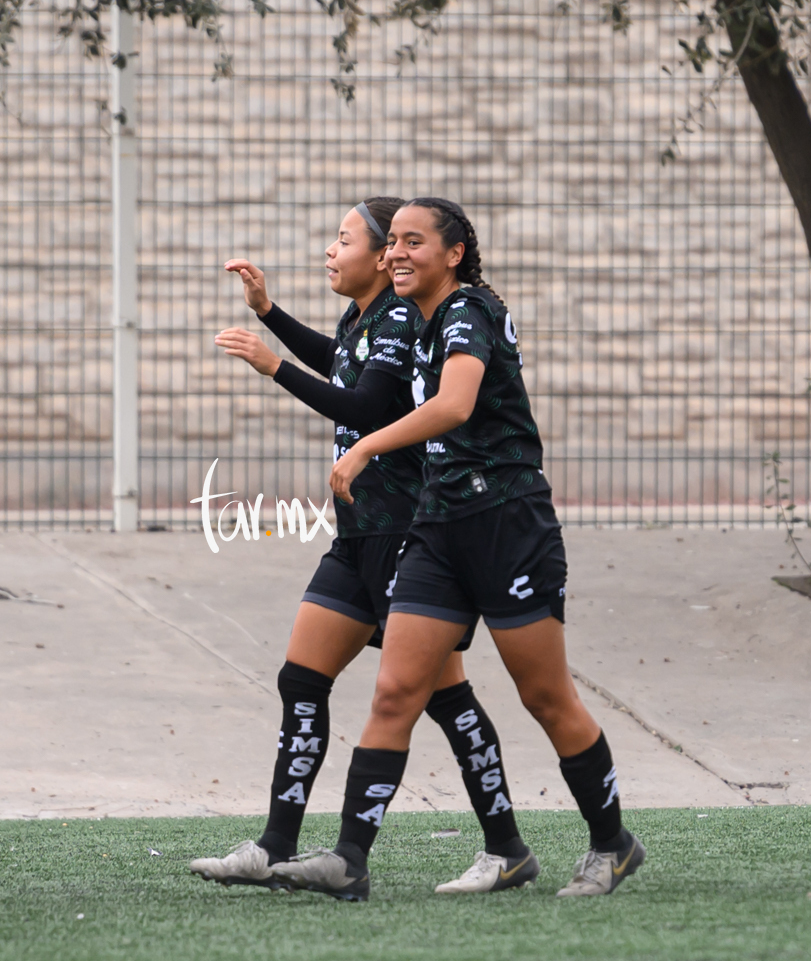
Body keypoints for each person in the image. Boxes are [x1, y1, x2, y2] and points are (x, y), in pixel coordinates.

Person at [277, 196, 645, 900]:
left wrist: (364, 451)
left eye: (416, 241)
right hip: (438, 527)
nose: (399, 252)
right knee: (395, 691)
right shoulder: (408, 323)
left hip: (508, 524)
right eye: (394, 243)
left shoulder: (468, 310)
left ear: (453, 253)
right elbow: (365, 384)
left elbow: (454, 405)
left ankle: (612, 843)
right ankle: (348, 860)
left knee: (545, 695)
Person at [193, 199, 534, 897]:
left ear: (381, 257)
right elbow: (340, 360)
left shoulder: (406, 318)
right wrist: (270, 314)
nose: (330, 249)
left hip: (408, 538)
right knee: (301, 679)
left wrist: (273, 367)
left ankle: (503, 845)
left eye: (343, 239)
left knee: (445, 699)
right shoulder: (362, 320)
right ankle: (275, 845)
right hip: (356, 539)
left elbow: (369, 406)